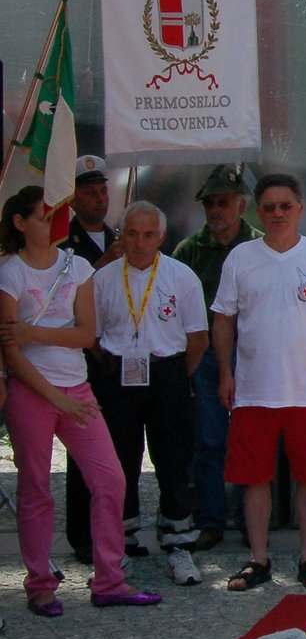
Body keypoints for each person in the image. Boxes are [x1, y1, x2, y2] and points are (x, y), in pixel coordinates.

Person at [0, 185, 161, 615]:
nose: (53, 221)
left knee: (111, 480)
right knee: (36, 489)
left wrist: (35, 333)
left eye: (57, 213)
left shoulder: (78, 268)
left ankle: (109, 579)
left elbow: (85, 334)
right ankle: (39, 584)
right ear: (20, 223)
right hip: (33, 394)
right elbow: (10, 352)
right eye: (42, 215)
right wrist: (54, 396)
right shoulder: (10, 273)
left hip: (77, 389)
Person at [212, 173, 306, 591]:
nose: (277, 213)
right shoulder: (241, 258)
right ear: (259, 211)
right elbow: (223, 319)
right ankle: (258, 559)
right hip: (253, 391)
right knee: (254, 479)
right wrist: (225, 372)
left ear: (299, 209)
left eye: (285, 206)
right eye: (269, 207)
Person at [89, 201, 210, 586]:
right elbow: (90, 334)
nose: (139, 243)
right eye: (131, 234)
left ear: (161, 236)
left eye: (148, 234)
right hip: (117, 375)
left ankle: (179, 543)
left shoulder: (181, 276)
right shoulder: (103, 278)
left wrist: (175, 374)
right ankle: (121, 542)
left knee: (173, 460)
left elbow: (198, 338)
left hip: (168, 372)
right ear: (120, 237)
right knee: (119, 461)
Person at [172, 164, 259, 553]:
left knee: (248, 440)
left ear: (241, 205)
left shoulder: (259, 246)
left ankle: (249, 519)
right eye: (210, 204)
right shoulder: (188, 252)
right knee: (208, 440)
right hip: (205, 356)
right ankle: (210, 520)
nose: (216, 210)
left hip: (253, 355)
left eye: (223, 202)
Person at [60, 155, 127, 563]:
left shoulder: (121, 237)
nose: (99, 198)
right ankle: (83, 537)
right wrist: (101, 266)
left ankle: (117, 531)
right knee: (80, 450)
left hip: (116, 359)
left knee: (116, 451)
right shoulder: (62, 246)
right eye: (89, 191)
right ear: (72, 199)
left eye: (103, 190)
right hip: (78, 361)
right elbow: (56, 303)